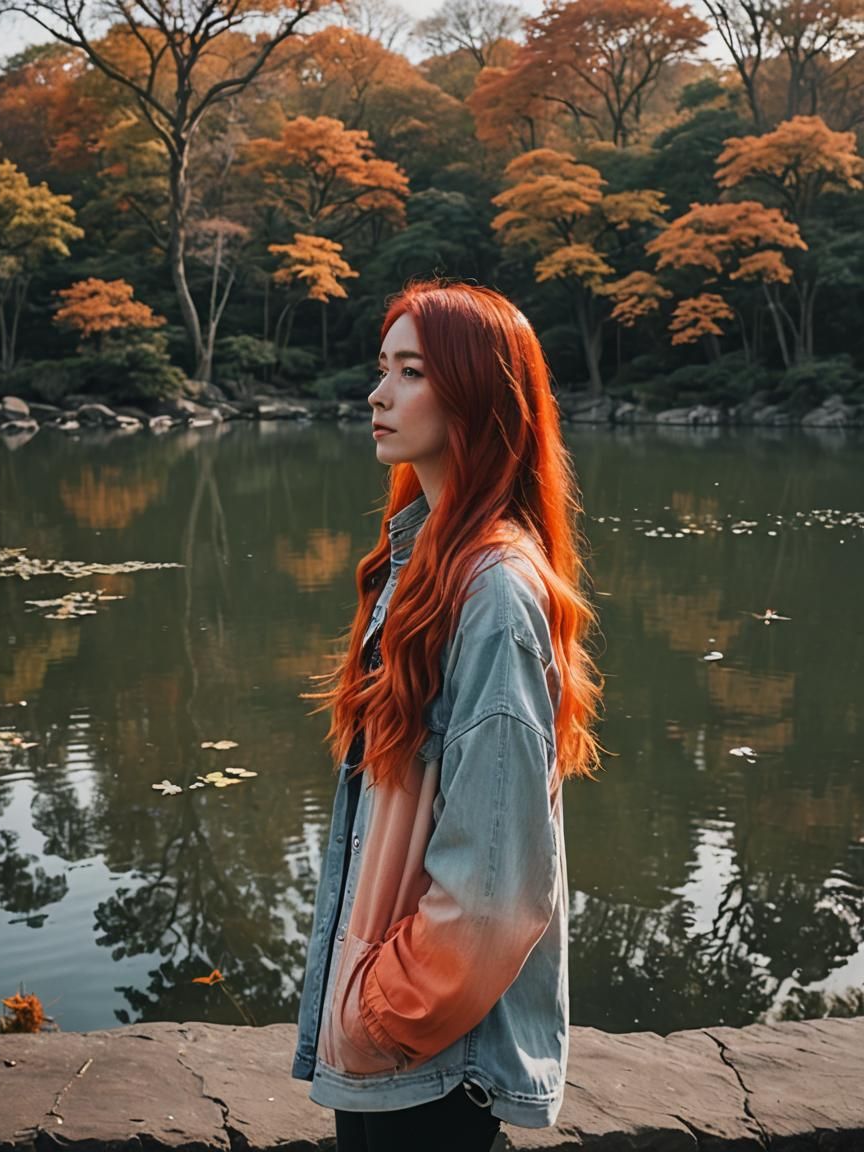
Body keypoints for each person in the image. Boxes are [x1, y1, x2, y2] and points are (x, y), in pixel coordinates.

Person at [291, 279, 602, 1151]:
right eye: (381, 368)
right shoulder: (423, 558)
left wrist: (379, 1013)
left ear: (476, 393)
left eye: (411, 372)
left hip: (429, 1065)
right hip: (399, 1055)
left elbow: (496, 892)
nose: (378, 394)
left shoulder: (493, 590)